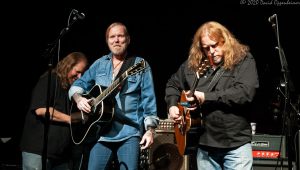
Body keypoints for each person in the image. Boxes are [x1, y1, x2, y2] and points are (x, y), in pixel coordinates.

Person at [165, 21, 259, 170]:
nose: (211, 52)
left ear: (225, 41)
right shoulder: (194, 64)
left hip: (235, 144)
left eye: (215, 46)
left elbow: (245, 93)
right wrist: (172, 106)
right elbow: (172, 84)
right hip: (204, 144)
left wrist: (205, 97)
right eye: (206, 48)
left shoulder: (243, 60)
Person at [68, 22, 159, 170]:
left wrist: (150, 130)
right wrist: (79, 99)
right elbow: (78, 85)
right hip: (101, 133)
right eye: (112, 37)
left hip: (129, 133)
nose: (116, 40)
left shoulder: (139, 64)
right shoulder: (99, 64)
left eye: (120, 36)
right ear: (107, 41)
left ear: (128, 39)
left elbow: (149, 100)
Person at [20, 52, 88, 170]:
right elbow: (41, 110)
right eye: (77, 72)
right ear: (68, 66)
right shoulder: (50, 79)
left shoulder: (72, 90)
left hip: (62, 155)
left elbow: (69, 114)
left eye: (82, 73)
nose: (79, 77)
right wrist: (70, 119)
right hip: (38, 152)